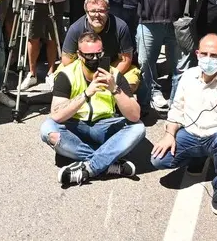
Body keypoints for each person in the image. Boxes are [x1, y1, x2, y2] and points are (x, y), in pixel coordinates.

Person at [151, 33, 217, 215]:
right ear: (197, 54)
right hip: (191, 135)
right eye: (204, 54)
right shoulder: (189, 75)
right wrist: (169, 134)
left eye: (214, 55)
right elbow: (177, 107)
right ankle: (197, 157)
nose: (208, 59)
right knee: (158, 159)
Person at [40, 32, 145, 185]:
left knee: (138, 128)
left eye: (99, 54)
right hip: (76, 126)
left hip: (104, 127)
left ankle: (89, 168)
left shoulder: (113, 74)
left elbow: (135, 116)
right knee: (47, 129)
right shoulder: (67, 74)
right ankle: (107, 161)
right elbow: (56, 115)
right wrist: (86, 94)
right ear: (79, 55)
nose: (95, 59)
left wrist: (115, 89)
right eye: (89, 55)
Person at [60, 0, 140, 92]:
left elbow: (125, 60)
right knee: (60, 79)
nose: (97, 15)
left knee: (131, 83)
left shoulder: (120, 27)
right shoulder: (75, 29)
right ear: (86, 12)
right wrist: (88, 76)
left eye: (101, 11)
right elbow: (67, 60)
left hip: (112, 66)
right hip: (84, 66)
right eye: (93, 11)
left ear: (107, 11)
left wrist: (108, 78)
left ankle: (115, 103)